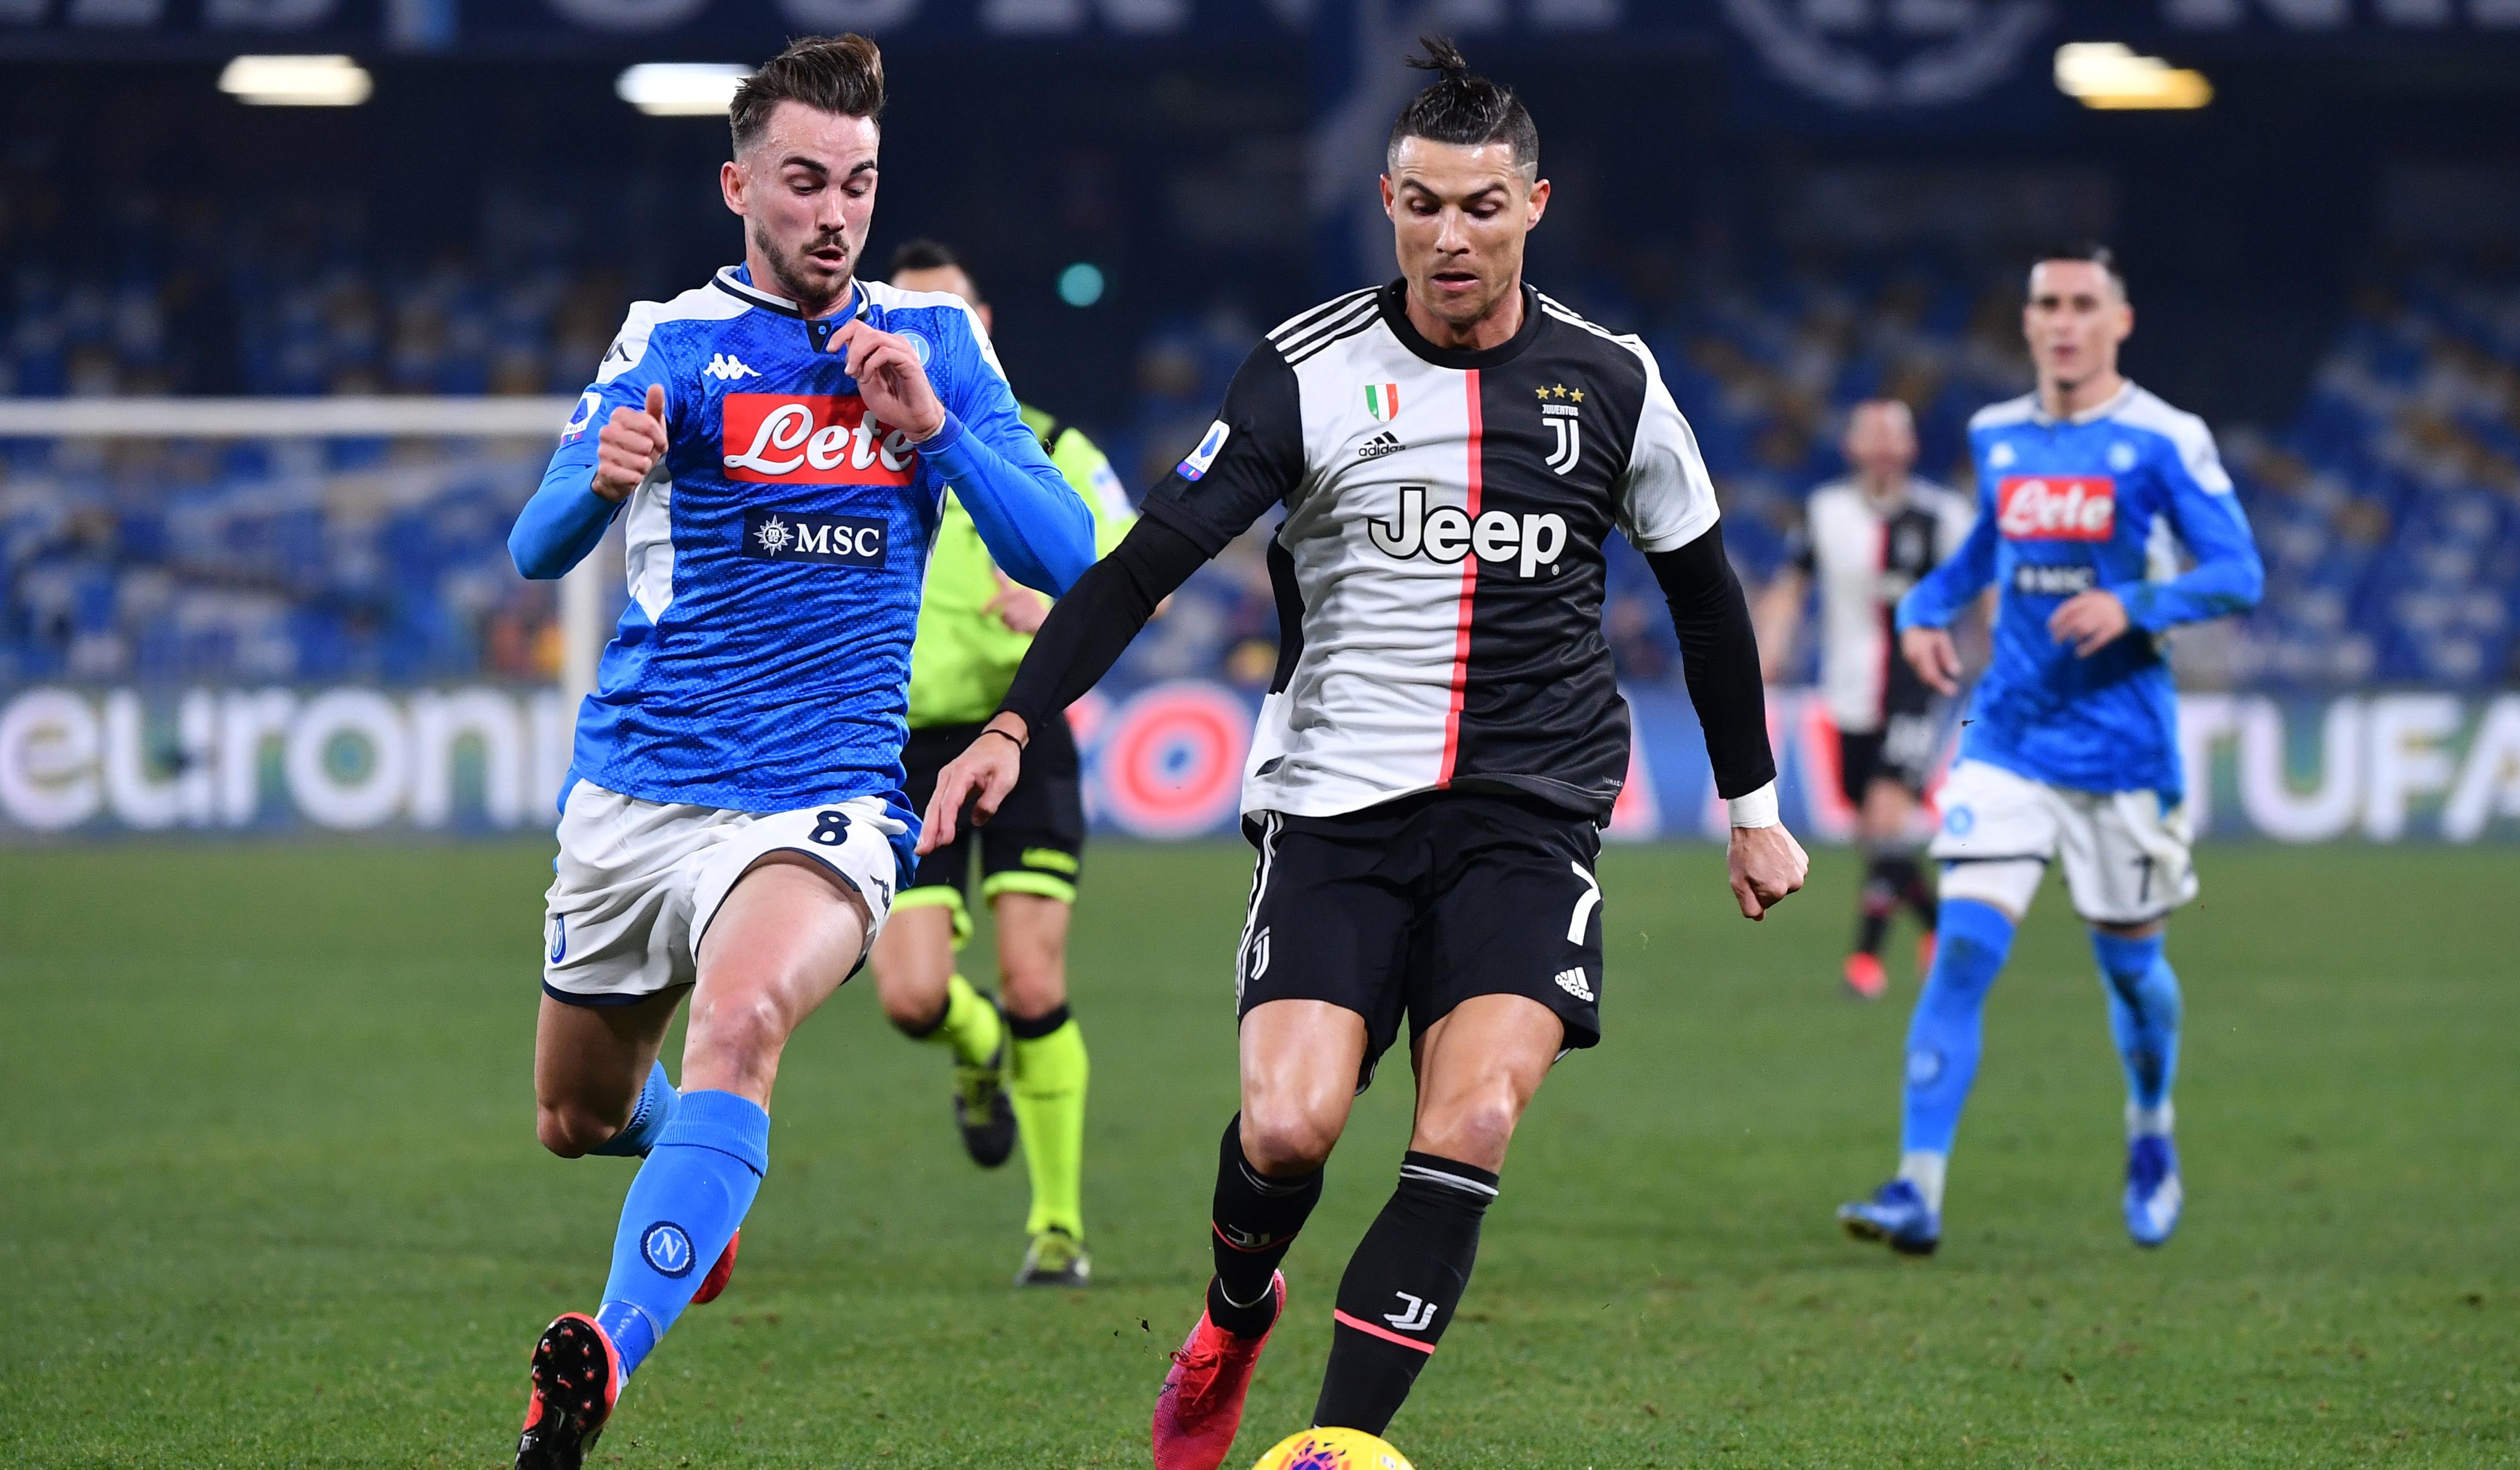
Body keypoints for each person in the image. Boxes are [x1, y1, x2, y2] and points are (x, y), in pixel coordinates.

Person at [920, 38, 1807, 1466]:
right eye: (1422, 205)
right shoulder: (1305, 370)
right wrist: (1019, 719)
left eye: (1480, 207)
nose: (1449, 237)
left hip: (1529, 812)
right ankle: (1233, 1312)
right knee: (1288, 1129)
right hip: (1336, 810)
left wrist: (1751, 806)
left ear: (1533, 207)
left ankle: (1337, 1444)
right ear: (1386, 202)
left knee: (1476, 1114)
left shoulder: (1614, 383)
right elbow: (1146, 563)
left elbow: (1704, 597)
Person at [500, 35, 1095, 1469]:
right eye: (806, 182)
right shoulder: (668, 342)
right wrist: (598, 484)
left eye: (860, 184)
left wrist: (934, 431)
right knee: (576, 1114)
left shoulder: (936, 345)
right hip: (638, 788)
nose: (837, 214)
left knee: (745, 1018)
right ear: (739, 188)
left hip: (823, 794)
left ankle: (602, 1355)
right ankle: (700, 1173)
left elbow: (1067, 552)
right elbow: (535, 547)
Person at [1836, 244, 2262, 1257]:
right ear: (2026, 323)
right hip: (2008, 737)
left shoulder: (2164, 438)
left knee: (2133, 975)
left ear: (2119, 321)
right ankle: (1916, 1187)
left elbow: (2237, 572)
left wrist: (2133, 603)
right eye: (2046, 305)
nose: (2062, 321)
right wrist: (1926, 607)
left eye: (2081, 304)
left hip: (2122, 751)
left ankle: (2150, 1127)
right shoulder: (1998, 434)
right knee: (1963, 953)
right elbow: (1987, 550)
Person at [871, 237, 1135, 1289]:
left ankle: (1056, 1227)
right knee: (911, 997)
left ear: (982, 328)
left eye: (951, 314)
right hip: (900, 747)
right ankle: (973, 1046)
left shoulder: (1052, 446)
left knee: (1033, 977)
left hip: (1021, 729)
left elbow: (1132, 569)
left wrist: (1060, 603)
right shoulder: (849, 451)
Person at [1752, 400, 1975, 1000]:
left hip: (1919, 686)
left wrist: (1997, 654)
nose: (1881, 447)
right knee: (1873, 833)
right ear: (1851, 447)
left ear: (1910, 447)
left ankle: (1864, 964)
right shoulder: (1825, 512)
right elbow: (1790, 588)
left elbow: (1982, 586)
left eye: (1892, 436)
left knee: (1885, 813)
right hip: (1848, 693)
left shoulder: (1943, 516)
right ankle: (1941, 930)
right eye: (1870, 435)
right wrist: (1769, 653)